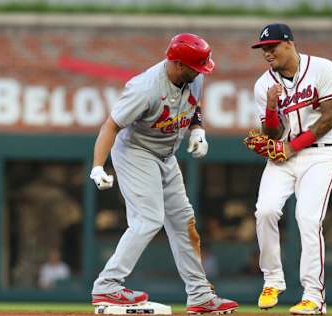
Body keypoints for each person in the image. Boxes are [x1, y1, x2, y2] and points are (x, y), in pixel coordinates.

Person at [88, 33, 238, 314]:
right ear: (178, 64)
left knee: (184, 222)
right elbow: (111, 126)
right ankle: (108, 284)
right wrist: (98, 165)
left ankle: (200, 295)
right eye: (197, 67)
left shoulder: (194, 76)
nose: (201, 72)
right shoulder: (145, 88)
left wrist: (198, 129)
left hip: (166, 155)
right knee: (148, 218)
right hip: (136, 151)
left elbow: (194, 106)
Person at [249, 23, 332, 315]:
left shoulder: (323, 68)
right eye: (264, 48)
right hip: (282, 158)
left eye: (272, 46)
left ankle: (313, 297)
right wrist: (270, 108)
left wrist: (292, 146)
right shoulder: (263, 84)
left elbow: (329, 118)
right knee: (264, 210)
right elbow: (273, 135)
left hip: (319, 155)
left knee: (307, 219)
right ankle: (273, 279)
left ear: (290, 43)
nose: (267, 53)